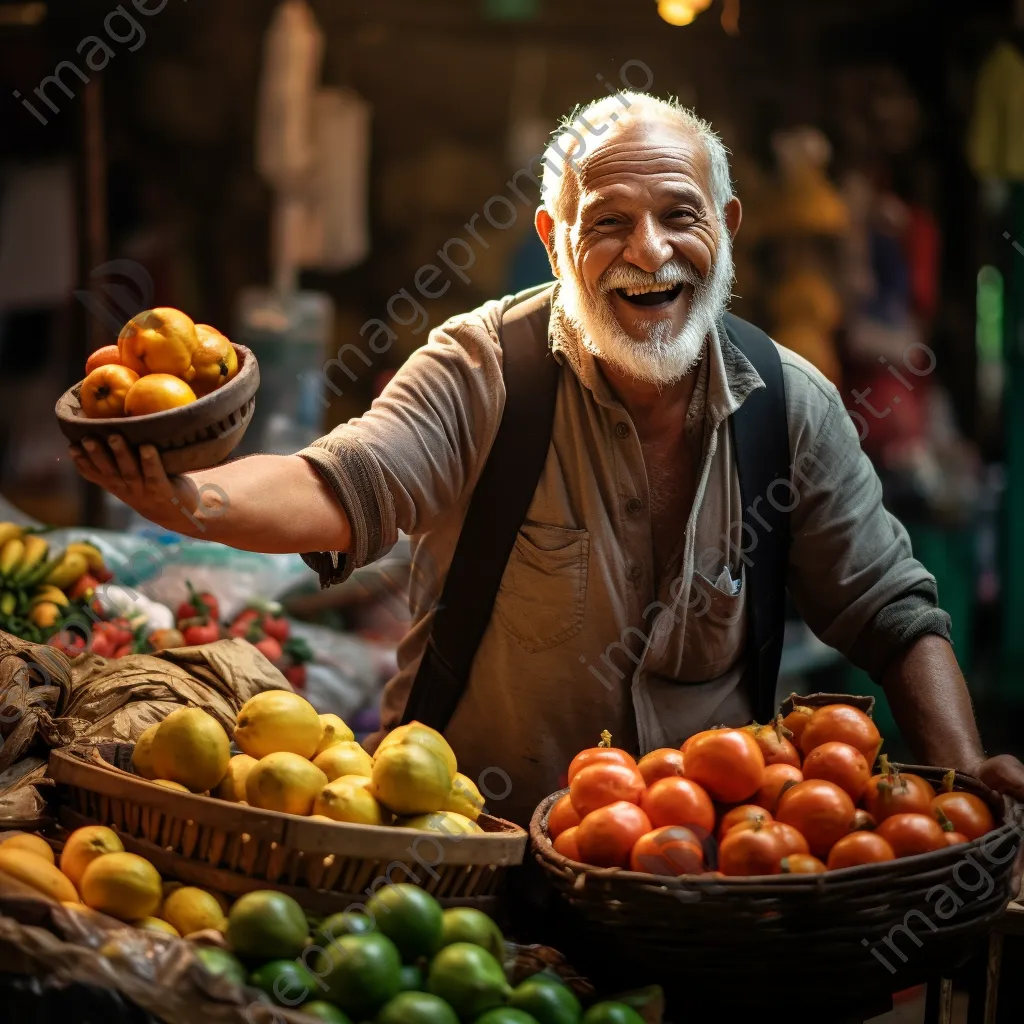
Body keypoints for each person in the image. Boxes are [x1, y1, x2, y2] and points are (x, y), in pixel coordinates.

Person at [71, 91, 1024, 828]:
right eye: (606, 220)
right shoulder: (483, 369)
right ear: (553, 238)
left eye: (677, 215)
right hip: (475, 859)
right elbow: (342, 480)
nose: (646, 250)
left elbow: (892, 611)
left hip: (705, 871)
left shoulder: (792, 405)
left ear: (726, 230)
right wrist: (192, 498)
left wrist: (967, 771)